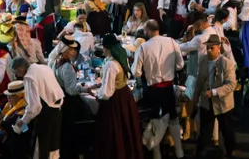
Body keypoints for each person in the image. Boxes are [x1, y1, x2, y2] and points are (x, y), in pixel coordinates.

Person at [131, 20, 185, 159]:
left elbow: (136, 72)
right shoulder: (172, 42)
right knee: (173, 118)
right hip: (168, 87)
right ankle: (180, 153)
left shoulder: (144, 47)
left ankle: (157, 154)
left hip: (152, 89)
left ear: (148, 31)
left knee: (154, 120)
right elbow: (180, 65)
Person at [94, 33, 143, 159]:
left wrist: (98, 95)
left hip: (115, 100)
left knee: (115, 131)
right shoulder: (121, 58)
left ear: (106, 48)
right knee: (126, 127)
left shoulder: (111, 65)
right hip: (125, 95)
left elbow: (107, 92)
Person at [10, 56, 64, 159]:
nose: (16, 75)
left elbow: (34, 106)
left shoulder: (29, 77)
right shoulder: (44, 67)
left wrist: (23, 120)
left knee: (41, 146)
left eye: (16, 72)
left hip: (46, 113)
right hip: (58, 108)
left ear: (21, 69)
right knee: (54, 143)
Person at [194, 33, 236, 159]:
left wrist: (214, 92)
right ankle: (200, 155)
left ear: (218, 47)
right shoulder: (203, 60)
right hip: (206, 103)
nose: (209, 50)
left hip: (223, 104)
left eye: (212, 48)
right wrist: (195, 98)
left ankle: (230, 153)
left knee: (227, 131)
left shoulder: (226, 63)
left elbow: (231, 84)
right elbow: (200, 80)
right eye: (208, 48)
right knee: (204, 131)